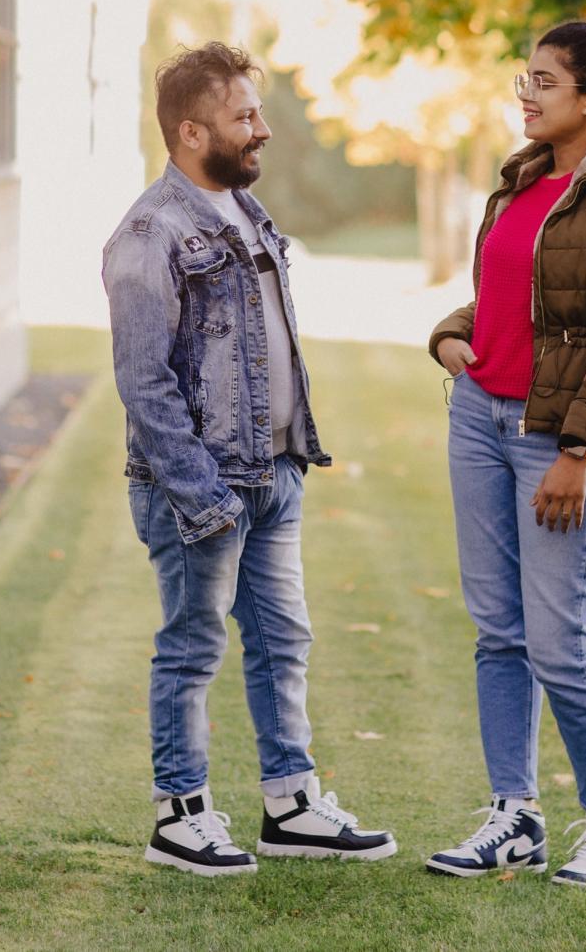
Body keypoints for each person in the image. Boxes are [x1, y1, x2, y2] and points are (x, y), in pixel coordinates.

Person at [101, 43, 397, 877]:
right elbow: (144, 383)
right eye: (244, 117)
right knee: (193, 646)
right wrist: (204, 495)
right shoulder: (149, 233)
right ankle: (180, 816)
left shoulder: (244, 211)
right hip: (200, 489)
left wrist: (288, 458)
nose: (262, 129)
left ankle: (291, 804)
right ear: (192, 132)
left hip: (274, 473)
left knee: (282, 640)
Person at [423, 3, 586, 888]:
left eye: (544, 82)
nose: (525, 95)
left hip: (555, 434)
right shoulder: (523, 176)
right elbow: (508, 292)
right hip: (479, 418)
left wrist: (580, 448)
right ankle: (515, 816)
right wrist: (451, 334)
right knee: (498, 632)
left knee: (557, 639)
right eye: (524, 79)